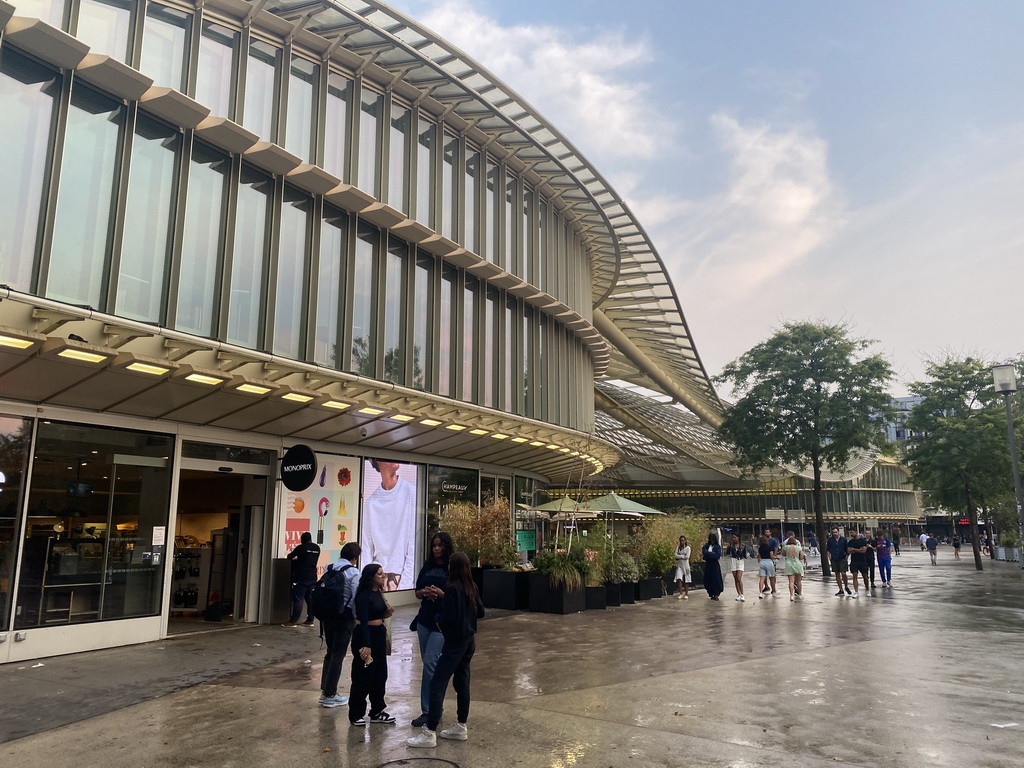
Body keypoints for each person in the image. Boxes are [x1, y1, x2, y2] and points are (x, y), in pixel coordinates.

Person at [407, 552, 485, 748]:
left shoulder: (452, 589)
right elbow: (481, 612)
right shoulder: (471, 587)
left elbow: (447, 616)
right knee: (462, 682)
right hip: (469, 642)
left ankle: (430, 731)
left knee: (438, 683)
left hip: (454, 643)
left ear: (454, 567)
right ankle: (461, 725)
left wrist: (440, 621)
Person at [410, 532, 454, 726]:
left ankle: (430, 710)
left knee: (430, 664)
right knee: (428, 666)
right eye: (434, 545)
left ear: (446, 547)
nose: (436, 549)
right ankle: (431, 708)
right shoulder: (427, 565)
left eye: (440, 545)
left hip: (441, 623)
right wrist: (424, 592)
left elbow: (457, 594)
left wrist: (442, 594)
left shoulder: (451, 568)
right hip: (424, 620)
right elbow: (417, 592)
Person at [348, 563, 397, 726]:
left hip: (379, 635)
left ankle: (377, 710)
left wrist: (386, 613)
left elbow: (377, 613)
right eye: (380, 574)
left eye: (383, 574)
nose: (383, 577)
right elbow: (362, 620)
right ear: (371, 577)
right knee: (363, 676)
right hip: (365, 636)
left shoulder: (379, 593)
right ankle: (356, 713)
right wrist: (366, 645)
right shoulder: (363, 595)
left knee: (380, 674)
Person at [362, 459, 418, 591]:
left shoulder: (412, 493)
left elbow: (414, 544)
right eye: (386, 455)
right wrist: (370, 584)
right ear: (376, 462)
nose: (394, 458)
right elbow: (366, 548)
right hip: (378, 582)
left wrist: (405, 586)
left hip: (403, 582)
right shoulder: (371, 503)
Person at [320, 542, 361, 708]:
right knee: (339, 654)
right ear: (355, 558)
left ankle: (325, 691)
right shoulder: (353, 572)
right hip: (344, 617)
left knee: (330, 652)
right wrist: (356, 617)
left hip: (327, 615)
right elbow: (355, 596)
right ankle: (330, 694)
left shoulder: (329, 568)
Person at [283, 531, 321, 627]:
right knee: (310, 598)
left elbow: (290, 556)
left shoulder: (301, 548)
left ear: (302, 539)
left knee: (298, 598)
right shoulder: (317, 548)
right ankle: (310, 620)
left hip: (302, 576)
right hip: (313, 576)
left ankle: (293, 621)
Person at [826, 528, 851, 597]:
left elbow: (847, 548)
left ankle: (846, 586)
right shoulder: (830, 540)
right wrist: (829, 556)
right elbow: (828, 549)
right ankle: (841, 589)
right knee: (837, 574)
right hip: (834, 558)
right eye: (833, 532)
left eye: (836, 532)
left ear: (838, 532)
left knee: (843, 573)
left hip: (842, 558)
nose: (835, 534)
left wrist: (847, 556)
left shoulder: (843, 539)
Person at [782, 536, 806, 601]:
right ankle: (800, 594)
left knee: (791, 581)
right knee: (799, 581)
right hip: (797, 564)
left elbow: (783, 554)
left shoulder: (786, 547)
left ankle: (791, 595)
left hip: (789, 564)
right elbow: (801, 557)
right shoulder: (798, 548)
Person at [701, 533, 724, 600]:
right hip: (708, 565)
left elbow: (717, 556)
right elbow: (704, 552)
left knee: (715, 579)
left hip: (715, 565)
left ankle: (716, 593)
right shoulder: (706, 546)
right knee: (709, 579)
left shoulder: (717, 547)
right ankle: (711, 593)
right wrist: (711, 553)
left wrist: (709, 555)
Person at [725, 534, 747, 601]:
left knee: (738, 578)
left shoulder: (743, 545)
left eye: (735, 537)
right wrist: (728, 547)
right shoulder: (731, 545)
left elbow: (745, 554)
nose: (733, 539)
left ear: (738, 537)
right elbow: (727, 553)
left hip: (740, 561)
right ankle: (739, 594)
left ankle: (742, 594)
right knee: (735, 579)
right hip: (733, 560)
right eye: (732, 537)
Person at [847, 531, 868, 598]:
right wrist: (859, 550)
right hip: (854, 561)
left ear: (856, 532)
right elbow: (849, 551)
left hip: (862, 561)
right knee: (854, 575)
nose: (851, 534)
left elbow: (863, 551)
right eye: (850, 533)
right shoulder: (850, 542)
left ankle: (867, 589)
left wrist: (854, 549)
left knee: (865, 576)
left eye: (852, 532)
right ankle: (856, 591)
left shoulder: (863, 541)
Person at [673, 535, 691, 600]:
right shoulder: (678, 548)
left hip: (686, 566)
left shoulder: (688, 548)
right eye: (681, 540)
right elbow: (675, 556)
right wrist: (682, 556)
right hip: (680, 565)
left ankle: (686, 593)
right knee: (679, 578)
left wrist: (680, 556)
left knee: (686, 579)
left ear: (685, 541)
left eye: (683, 540)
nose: (682, 542)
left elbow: (687, 557)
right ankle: (681, 593)